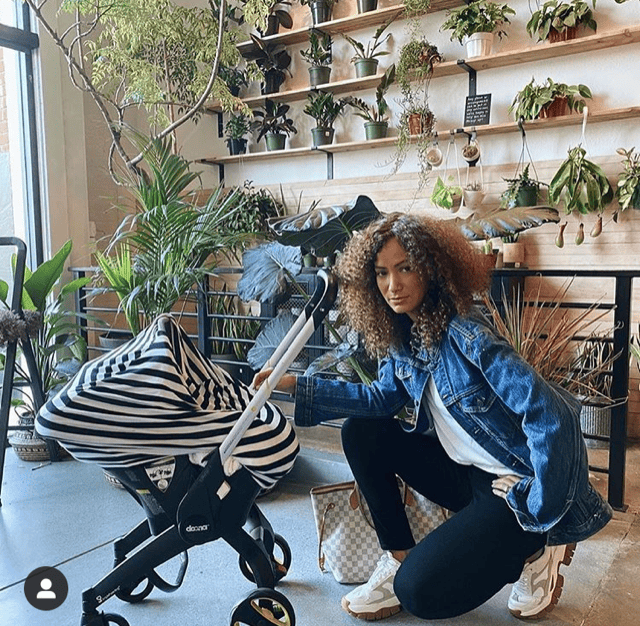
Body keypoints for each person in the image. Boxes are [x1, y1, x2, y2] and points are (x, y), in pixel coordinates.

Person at [253, 212, 613, 622]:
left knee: (420, 594)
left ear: (432, 268)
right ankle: (397, 556)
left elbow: (550, 414)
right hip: (464, 476)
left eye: (405, 268)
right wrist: (295, 386)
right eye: (382, 272)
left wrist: (536, 501)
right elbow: (379, 399)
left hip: (510, 487)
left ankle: (536, 547)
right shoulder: (405, 338)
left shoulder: (467, 334)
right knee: (363, 433)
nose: (393, 285)